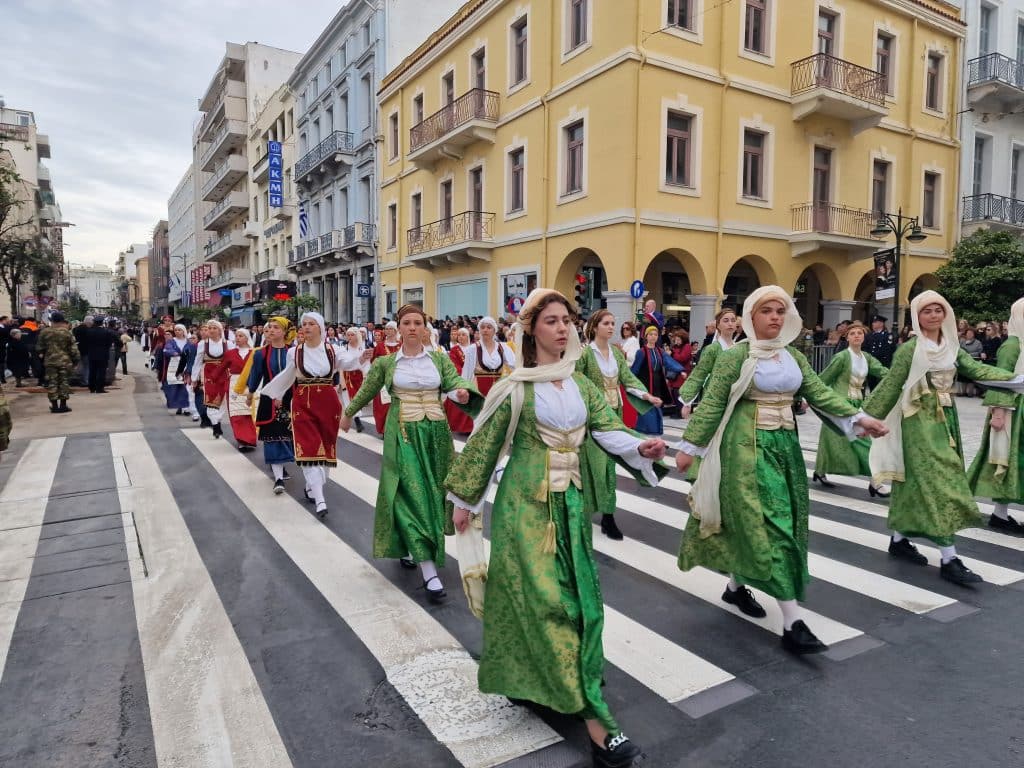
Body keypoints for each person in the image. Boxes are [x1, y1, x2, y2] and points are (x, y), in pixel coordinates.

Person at [445, 288, 667, 768]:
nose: (562, 328)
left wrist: (639, 447)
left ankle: (540, 679)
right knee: (548, 604)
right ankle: (599, 727)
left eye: (567, 319)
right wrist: (464, 501)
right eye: (551, 321)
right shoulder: (517, 387)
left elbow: (608, 429)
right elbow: (483, 445)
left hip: (570, 508)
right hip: (525, 508)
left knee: (578, 601)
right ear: (532, 330)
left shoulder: (581, 385)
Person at [675, 286, 890, 655]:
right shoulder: (737, 356)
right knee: (774, 526)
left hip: (785, 450)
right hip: (747, 451)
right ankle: (793, 621)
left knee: (774, 522)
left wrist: (859, 417)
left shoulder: (792, 356)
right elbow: (712, 403)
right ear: (749, 317)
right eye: (767, 311)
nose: (775, 316)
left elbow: (819, 392)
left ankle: (734, 587)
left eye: (780, 310)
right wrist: (689, 447)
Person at [864, 291, 1024, 585]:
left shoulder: (951, 346)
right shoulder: (910, 350)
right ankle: (949, 557)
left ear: (946, 314)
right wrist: (865, 419)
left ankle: (899, 540)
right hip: (919, 421)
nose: (934, 315)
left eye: (939, 309)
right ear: (917, 317)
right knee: (940, 483)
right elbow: (891, 385)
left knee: (915, 481)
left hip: (946, 420)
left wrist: (1015, 381)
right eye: (927, 311)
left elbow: (977, 370)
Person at [341, 304, 482, 603]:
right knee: (411, 491)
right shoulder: (387, 363)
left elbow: (455, 381)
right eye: (407, 322)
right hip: (403, 434)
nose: (413, 327)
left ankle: (410, 543)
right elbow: (367, 389)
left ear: (425, 328)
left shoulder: (439, 361)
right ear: (399, 328)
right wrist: (348, 412)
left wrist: (462, 392)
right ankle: (428, 569)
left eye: (418, 322)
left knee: (434, 492)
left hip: (437, 436)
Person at [576, 308, 662, 540]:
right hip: (592, 419)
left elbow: (627, 378)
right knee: (593, 465)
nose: (611, 327)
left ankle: (608, 516)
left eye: (613, 323)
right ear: (594, 327)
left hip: (614, 414)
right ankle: (583, 511)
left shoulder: (616, 353)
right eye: (606, 323)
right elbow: (576, 384)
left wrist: (646, 396)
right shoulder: (584, 355)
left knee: (610, 467)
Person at [261, 312, 344, 519]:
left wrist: (362, 357)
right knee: (307, 448)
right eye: (304, 324)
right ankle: (320, 499)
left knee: (325, 452)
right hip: (302, 404)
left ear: (320, 327)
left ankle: (313, 487)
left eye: (311, 324)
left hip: (328, 405)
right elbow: (288, 375)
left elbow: (352, 362)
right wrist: (276, 393)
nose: (306, 327)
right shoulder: (295, 352)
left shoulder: (333, 350)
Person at [811, 321, 890, 496]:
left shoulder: (867, 358)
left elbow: (883, 371)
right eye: (852, 333)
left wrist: (899, 379)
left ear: (864, 337)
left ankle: (820, 471)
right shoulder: (841, 357)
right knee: (859, 442)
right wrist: (816, 398)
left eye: (859, 333)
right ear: (847, 337)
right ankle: (875, 482)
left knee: (834, 441)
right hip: (840, 404)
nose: (856, 336)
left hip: (857, 404)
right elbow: (823, 379)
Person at [967, 297, 1024, 535]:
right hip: (1015, 410)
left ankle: (1001, 514)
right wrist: (999, 412)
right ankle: (999, 515)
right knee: (1010, 460)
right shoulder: (1012, 345)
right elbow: (1000, 379)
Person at [239, 316, 296, 494]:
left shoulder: (294, 352)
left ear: (285, 332)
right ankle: (278, 478)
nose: (271, 330)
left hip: (290, 400)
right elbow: (255, 375)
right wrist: (250, 394)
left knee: (290, 436)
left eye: (276, 328)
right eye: (269, 327)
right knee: (272, 438)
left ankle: (285, 466)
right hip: (268, 400)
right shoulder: (260, 353)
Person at [679, 308, 738, 417]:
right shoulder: (712, 349)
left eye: (733, 320)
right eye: (726, 320)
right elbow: (699, 374)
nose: (730, 323)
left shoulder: (740, 348)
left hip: (736, 400)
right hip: (714, 398)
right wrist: (687, 402)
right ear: (718, 325)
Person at [630, 325, 683, 435]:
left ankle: (655, 434)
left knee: (657, 406)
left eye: (655, 334)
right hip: (645, 383)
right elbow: (635, 369)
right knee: (646, 409)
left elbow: (669, 362)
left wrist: (680, 370)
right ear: (646, 336)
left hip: (658, 383)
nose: (653, 337)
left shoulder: (660, 351)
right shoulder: (641, 352)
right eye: (651, 334)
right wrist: (630, 382)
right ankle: (644, 433)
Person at [187, 320, 234, 439]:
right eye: (209, 328)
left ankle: (217, 421)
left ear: (220, 330)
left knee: (222, 401)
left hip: (224, 375)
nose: (212, 330)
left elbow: (233, 361)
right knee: (210, 401)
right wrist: (194, 378)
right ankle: (216, 426)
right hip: (209, 376)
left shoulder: (228, 344)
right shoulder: (203, 344)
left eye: (214, 328)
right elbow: (197, 362)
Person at [36, 312, 80, 414]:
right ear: (62, 321)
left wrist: (43, 355)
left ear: (52, 320)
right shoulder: (67, 333)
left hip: (50, 362)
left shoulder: (44, 332)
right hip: (65, 362)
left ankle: (54, 406)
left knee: (52, 383)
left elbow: (39, 348)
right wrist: (76, 361)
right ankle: (63, 405)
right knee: (64, 383)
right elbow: (74, 350)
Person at [462, 316, 515, 397]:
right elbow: (466, 372)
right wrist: (464, 390)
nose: (485, 330)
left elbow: (514, 367)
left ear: (494, 331)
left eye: (489, 327)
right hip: (480, 393)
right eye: (482, 328)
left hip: (499, 392)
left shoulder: (503, 347)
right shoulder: (473, 349)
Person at [224, 328, 258, 452]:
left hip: (251, 384)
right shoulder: (230, 353)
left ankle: (250, 439)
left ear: (247, 338)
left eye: (241, 336)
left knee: (249, 412)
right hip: (234, 385)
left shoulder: (255, 352)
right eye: (237, 335)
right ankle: (242, 440)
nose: (237, 338)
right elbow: (221, 368)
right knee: (237, 414)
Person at [338, 326, 372, 433]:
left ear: (357, 336)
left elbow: (366, 364)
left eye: (352, 335)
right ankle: (357, 421)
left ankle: (356, 416)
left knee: (359, 398)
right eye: (348, 335)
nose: (350, 337)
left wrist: (366, 375)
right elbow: (341, 365)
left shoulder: (362, 349)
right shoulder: (343, 349)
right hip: (347, 377)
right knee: (349, 398)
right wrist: (341, 381)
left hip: (359, 376)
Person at [370, 320, 401, 434]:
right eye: (386, 329)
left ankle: (397, 429)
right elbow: (374, 361)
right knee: (383, 406)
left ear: (395, 330)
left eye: (390, 329)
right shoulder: (380, 346)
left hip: (398, 379)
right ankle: (384, 429)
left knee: (397, 405)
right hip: (383, 380)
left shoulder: (401, 345)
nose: (388, 331)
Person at [445, 327, 475, 435]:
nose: (461, 337)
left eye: (463, 334)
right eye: (459, 335)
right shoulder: (455, 350)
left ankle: (471, 426)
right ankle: (460, 426)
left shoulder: (473, 348)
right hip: (460, 378)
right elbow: (454, 364)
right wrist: (464, 373)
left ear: (468, 336)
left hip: (473, 377)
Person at [160, 325, 191, 415]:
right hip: (176, 367)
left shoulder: (188, 341)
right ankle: (181, 406)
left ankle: (186, 408)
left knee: (187, 387)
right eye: (176, 330)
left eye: (179, 330)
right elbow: (166, 350)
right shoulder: (171, 341)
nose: (177, 331)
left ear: (184, 331)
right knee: (179, 387)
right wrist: (174, 353)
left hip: (187, 367)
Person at [83, 318, 115, 393]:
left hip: (91, 354)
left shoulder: (89, 332)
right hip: (103, 355)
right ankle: (100, 388)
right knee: (101, 371)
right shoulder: (106, 332)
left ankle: (92, 387)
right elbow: (109, 343)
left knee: (92, 371)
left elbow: (86, 343)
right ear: (102, 323)